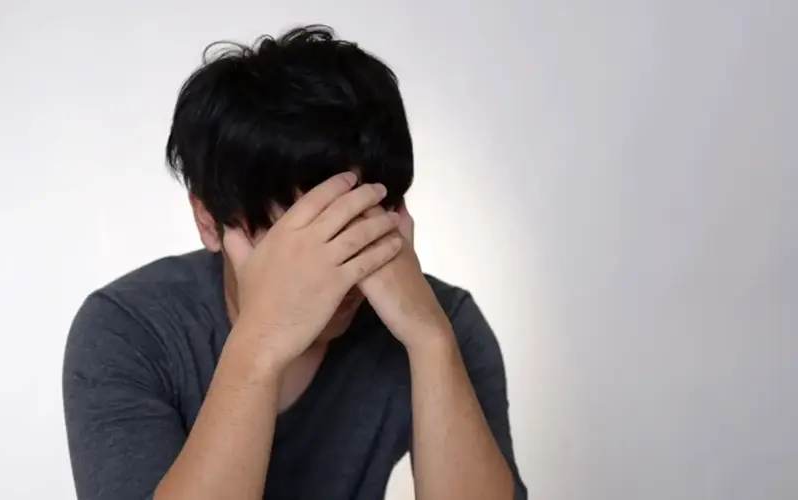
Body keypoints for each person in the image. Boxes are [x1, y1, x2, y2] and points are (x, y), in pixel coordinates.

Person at [62, 24, 527, 500]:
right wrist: (260, 346)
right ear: (208, 220)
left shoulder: (442, 321)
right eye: (299, 236)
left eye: (356, 223)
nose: (335, 266)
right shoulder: (128, 328)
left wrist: (430, 342)